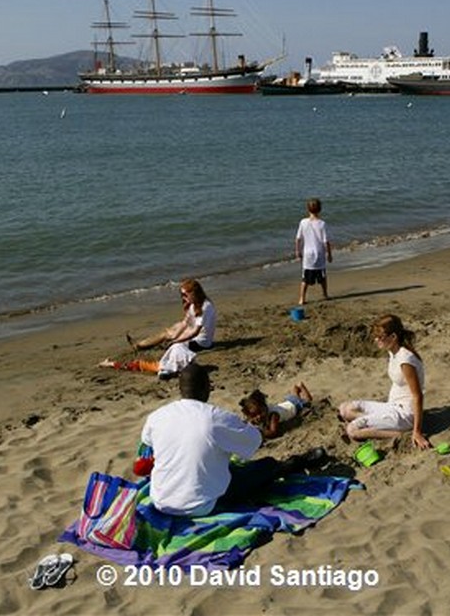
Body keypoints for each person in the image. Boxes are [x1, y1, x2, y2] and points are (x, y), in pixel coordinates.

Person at [138, 364, 327, 516]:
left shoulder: (157, 416)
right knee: (266, 466)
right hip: (202, 504)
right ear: (207, 387)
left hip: (161, 501)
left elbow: (147, 444)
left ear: (180, 388)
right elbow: (255, 442)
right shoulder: (217, 417)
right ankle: (297, 463)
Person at [338, 314, 431, 450]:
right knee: (345, 409)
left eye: (380, 337)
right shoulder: (393, 351)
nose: (376, 340)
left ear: (393, 337)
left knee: (352, 430)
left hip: (404, 415)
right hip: (392, 406)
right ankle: (378, 421)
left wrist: (417, 431)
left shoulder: (406, 361)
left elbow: (418, 396)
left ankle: (400, 435)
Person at [99, 278, 216, 377]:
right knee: (171, 331)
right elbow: (185, 322)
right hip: (192, 339)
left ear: (194, 293)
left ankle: (139, 346)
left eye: (185, 295)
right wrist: (175, 336)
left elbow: (194, 332)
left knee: (167, 335)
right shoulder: (195, 304)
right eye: (182, 295)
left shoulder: (204, 307)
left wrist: (176, 340)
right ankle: (139, 346)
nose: (183, 297)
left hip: (200, 341)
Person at [239, 382, 313, 439]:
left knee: (308, 401)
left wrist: (260, 432)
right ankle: (296, 389)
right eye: (253, 416)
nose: (258, 417)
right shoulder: (258, 414)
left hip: (294, 406)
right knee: (294, 397)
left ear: (265, 408)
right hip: (285, 405)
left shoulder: (273, 415)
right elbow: (247, 422)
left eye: (260, 413)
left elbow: (273, 432)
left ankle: (301, 386)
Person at [295, 198, 333, 305]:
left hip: (307, 256)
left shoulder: (303, 222)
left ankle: (302, 298)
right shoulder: (322, 224)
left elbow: (298, 239)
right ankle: (325, 294)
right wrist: (329, 254)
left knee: (305, 279)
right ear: (320, 209)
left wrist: (297, 251)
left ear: (308, 209)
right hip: (319, 255)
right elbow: (326, 242)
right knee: (322, 277)